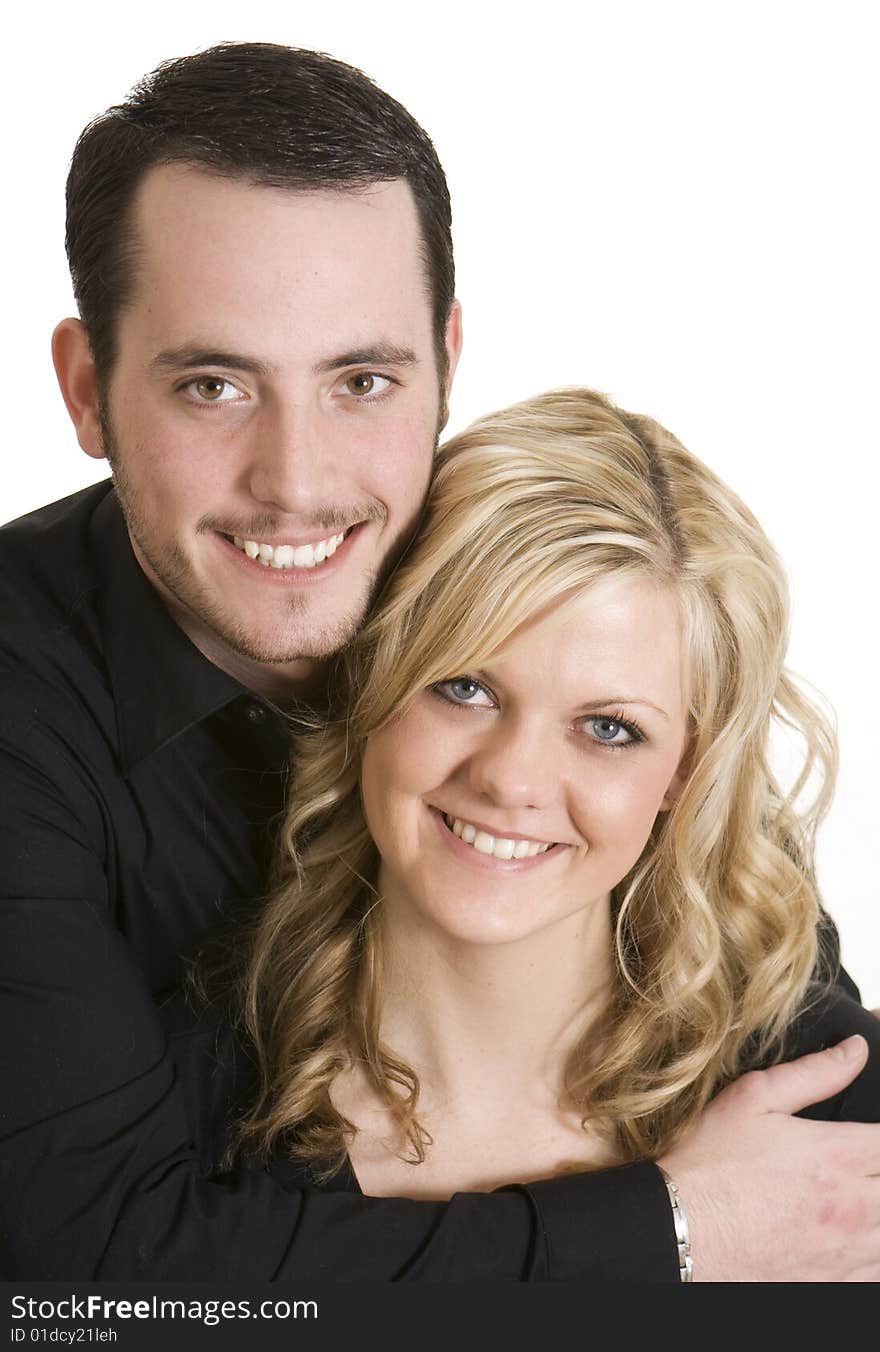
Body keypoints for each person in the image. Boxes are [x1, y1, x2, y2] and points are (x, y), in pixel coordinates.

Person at [0, 40, 875, 1283]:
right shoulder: (26, 706)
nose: (297, 483)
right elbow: (103, 1273)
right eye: (212, 384)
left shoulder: (491, 566)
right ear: (87, 390)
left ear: (446, 364)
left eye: (361, 378)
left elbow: (742, 934)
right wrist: (675, 1231)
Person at [172, 386, 879, 1283]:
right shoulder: (170, 1146)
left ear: (685, 774)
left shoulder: (840, 1117)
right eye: (465, 687)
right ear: (369, 688)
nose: (511, 778)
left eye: (610, 728)